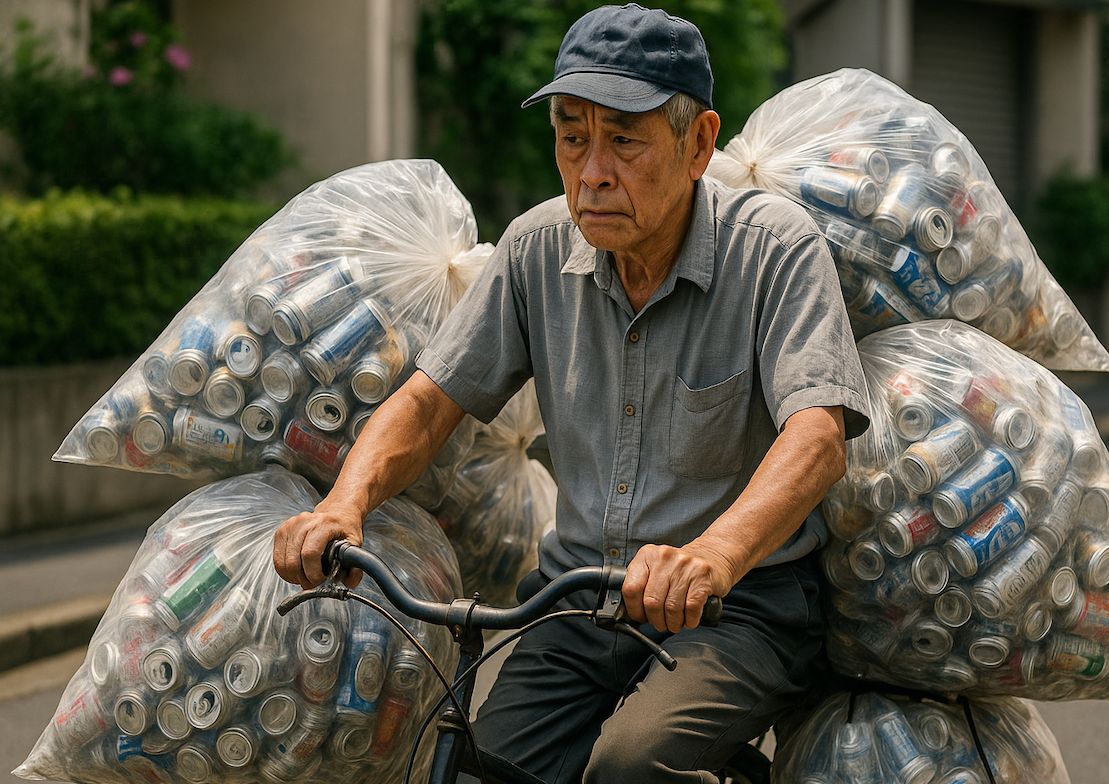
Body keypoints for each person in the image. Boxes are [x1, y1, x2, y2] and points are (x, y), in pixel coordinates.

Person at [273, 4, 869, 781]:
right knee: (475, 767)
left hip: (740, 610)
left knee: (629, 767)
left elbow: (818, 437)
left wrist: (713, 559)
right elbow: (427, 401)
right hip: (579, 603)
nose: (592, 171)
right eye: (571, 136)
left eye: (624, 139)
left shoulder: (774, 250)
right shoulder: (535, 248)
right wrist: (341, 506)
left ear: (698, 144)